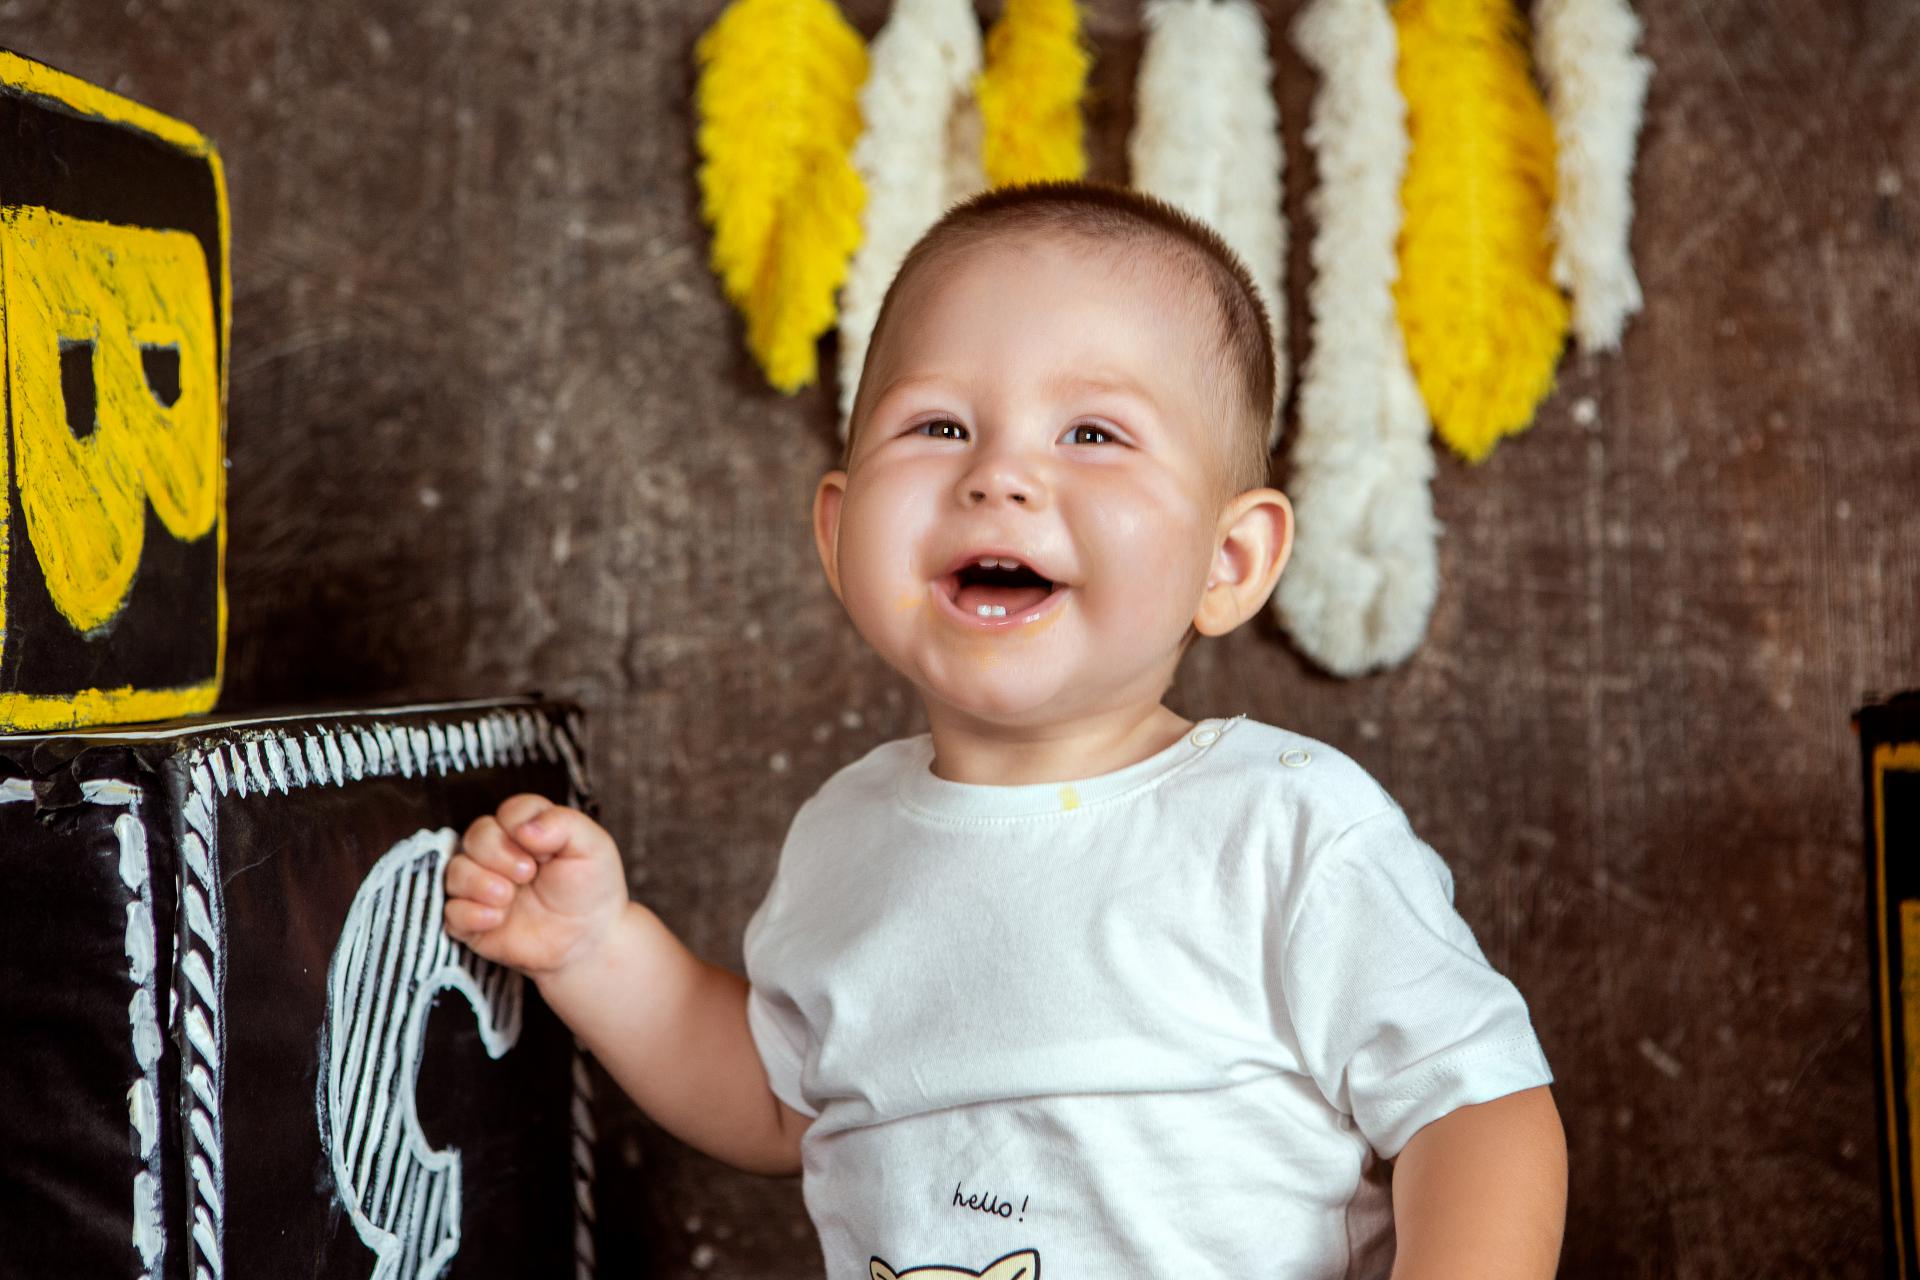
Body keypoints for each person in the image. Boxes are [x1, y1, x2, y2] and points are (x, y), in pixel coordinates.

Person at [445, 180, 1568, 1278]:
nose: (999, 476)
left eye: (1092, 431)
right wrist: (597, 951)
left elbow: (1478, 1110)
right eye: (940, 424)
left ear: (1228, 563)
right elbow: (779, 1100)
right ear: (840, 536)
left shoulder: (1283, 827)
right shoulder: (844, 836)